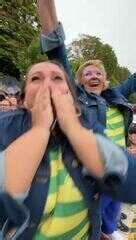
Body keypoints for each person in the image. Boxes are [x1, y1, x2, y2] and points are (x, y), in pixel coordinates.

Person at [0, 59, 136, 240]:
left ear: (71, 97)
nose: (47, 85)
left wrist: (73, 129)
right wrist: (40, 129)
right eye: (36, 79)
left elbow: (131, 186)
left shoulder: (86, 124)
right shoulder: (5, 127)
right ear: (23, 100)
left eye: (57, 78)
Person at [38, 0, 136, 239]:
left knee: (111, 215)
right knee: (94, 213)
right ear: (79, 82)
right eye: (87, 74)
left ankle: (108, 231)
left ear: (106, 80)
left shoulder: (117, 96)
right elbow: (55, 47)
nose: (93, 76)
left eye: (98, 73)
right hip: (92, 171)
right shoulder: (77, 97)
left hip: (120, 168)